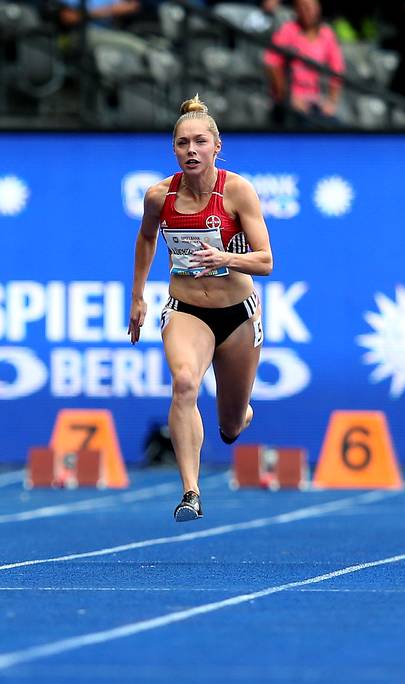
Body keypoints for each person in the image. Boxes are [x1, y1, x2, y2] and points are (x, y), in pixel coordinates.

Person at [128, 96, 274, 523]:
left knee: (229, 427)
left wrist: (225, 258)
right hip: (186, 309)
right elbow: (146, 239)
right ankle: (190, 491)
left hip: (238, 314)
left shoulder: (237, 191)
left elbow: (266, 260)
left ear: (216, 145)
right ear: (173, 150)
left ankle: (240, 411)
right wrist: (137, 296)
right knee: (185, 382)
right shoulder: (159, 196)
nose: (191, 151)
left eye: (199, 142)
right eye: (181, 143)